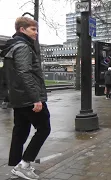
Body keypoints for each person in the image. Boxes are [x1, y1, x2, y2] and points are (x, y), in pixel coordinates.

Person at [0, 17, 51, 179]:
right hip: (29, 98)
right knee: (44, 128)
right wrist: (36, 98)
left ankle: (16, 165)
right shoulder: (23, 47)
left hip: (18, 97)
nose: (36, 33)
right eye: (33, 29)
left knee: (20, 131)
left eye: (36, 29)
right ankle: (24, 164)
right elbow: (25, 73)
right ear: (22, 29)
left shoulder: (12, 47)